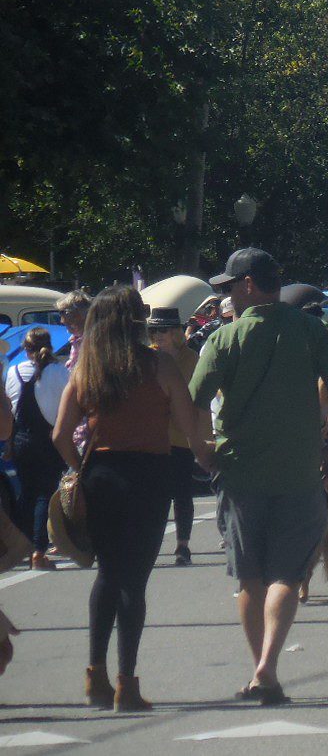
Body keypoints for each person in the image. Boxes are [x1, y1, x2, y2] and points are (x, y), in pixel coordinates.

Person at [188, 248, 328, 706]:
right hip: (300, 470)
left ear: (246, 285)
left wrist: (201, 448)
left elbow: (194, 401)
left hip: (240, 472)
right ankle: (268, 667)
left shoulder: (223, 339)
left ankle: (259, 668)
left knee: (249, 577)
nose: (224, 296)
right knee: (286, 574)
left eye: (227, 287)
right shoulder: (310, 329)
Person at [53, 286, 204, 711]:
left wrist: (78, 470)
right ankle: (127, 685)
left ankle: (95, 677)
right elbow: (188, 422)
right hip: (148, 477)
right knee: (134, 582)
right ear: (136, 321)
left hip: (101, 474)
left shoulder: (89, 369)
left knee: (107, 575)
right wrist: (207, 456)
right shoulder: (159, 365)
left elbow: (60, 435)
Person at [6, 327, 69, 569]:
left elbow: (11, 410)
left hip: (21, 439)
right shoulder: (57, 371)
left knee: (27, 494)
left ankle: (18, 547)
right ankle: (39, 551)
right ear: (49, 346)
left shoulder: (14, 371)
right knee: (45, 494)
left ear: (25, 348)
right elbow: (65, 408)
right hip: (48, 439)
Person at [147, 307, 200, 565]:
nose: (157, 336)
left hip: (181, 434)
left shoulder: (190, 358)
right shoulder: (148, 358)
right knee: (155, 495)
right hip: (154, 435)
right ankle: (152, 545)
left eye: (163, 330)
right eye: (154, 330)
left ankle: (183, 545)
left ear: (176, 332)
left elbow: (195, 394)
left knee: (182, 492)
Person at [55, 290, 90, 368]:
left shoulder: (92, 341)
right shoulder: (75, 340)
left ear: (74, 314)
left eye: (62, 313)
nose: (61, 321)